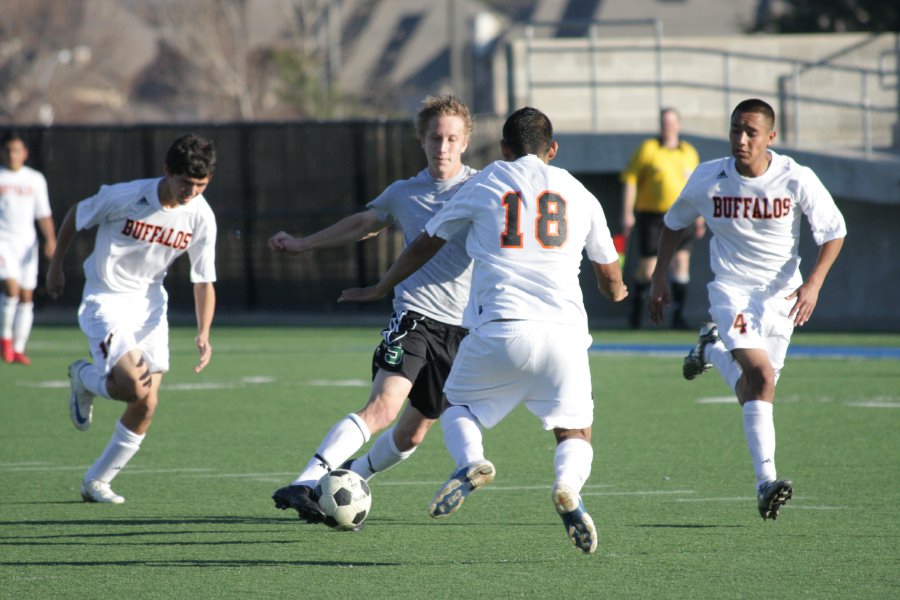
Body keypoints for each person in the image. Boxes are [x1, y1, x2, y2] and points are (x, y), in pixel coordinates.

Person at [340, 107, 628, 554]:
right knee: (574, 433)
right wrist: (620, 291)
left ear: (504, 149)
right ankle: (567, 486)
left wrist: (381, 285)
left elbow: (427, 243)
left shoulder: (487, 181)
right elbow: (610, 282)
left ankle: (472, 461)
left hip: (500, 328)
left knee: (453, 405)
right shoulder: (580, 192)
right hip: (565, 338)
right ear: (552, 150)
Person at [267, 95, 478, 525]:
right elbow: (364, 223)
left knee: (411, 433)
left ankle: (349, 479)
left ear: (466, 143)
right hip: (414, 318)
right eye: (435, 138)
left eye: (452, 138)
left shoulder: (484, 187)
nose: (443, 147)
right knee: (383, 408)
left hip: (464, 331)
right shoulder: (404, 193)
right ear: (421, 140)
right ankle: (307, 481)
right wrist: (304, 243)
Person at [648, 98, 846, 520]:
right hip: (731, 292)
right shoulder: (708, 178)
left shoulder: (795, 178)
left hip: (782, 297)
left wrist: (813, 284)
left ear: (770, 137)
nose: (741, 139)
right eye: (736, 129)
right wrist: (659, 277)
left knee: (756, 389)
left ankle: (711, 351)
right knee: (761, 376)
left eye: (751, 132)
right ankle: (765, 482)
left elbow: (834, 231)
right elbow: (672, 224)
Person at [46, 134, 218, 504]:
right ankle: (85, 377)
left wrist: (204, 333)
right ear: (167, 171)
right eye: (185, 182)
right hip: (105, 300)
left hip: (151, 307)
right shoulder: (124, 196)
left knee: (145, 404)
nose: (191, 191)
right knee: (135, 386)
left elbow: (203, 279)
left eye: (200, 184)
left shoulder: (201, 215)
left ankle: (97, 481)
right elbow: (77, 214)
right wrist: (56, 266)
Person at [621, 108, 701, 329]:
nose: (668, 126)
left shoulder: (689, 152)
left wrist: (701, 218)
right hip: (653, 215)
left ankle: (678, 316)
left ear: (679, 125)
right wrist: (627, 212)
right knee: (648, 267)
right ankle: (637, 313)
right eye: (664, 122)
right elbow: (631, 180)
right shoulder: (648, 149)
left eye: (672, 122)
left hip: (684, 215)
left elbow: (697, 188)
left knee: (681, 263)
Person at [0, 131, 57, 365]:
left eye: (17, 150)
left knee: (26, 295)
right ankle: (5, 341)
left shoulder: (35, 179)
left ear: (25, 153)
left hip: (27, 244)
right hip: (3, 241)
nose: (13, 155)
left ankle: (19, 347)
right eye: (8, 150)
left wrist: (50, 240)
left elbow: (43, 214)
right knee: (11, 289)